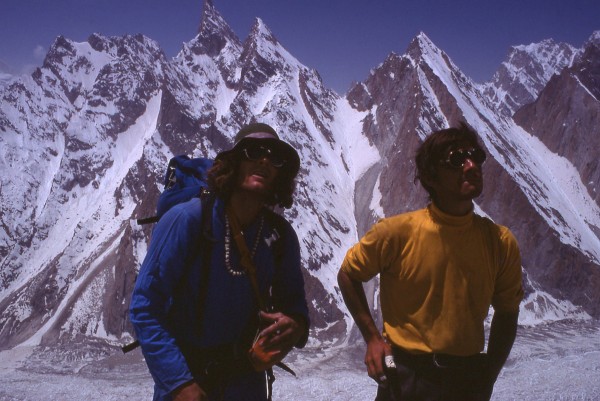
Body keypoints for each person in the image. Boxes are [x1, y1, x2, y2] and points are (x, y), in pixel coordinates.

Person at [337, 122, 524, 401]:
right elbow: (348, 275)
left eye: (476, 156)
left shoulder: (500, 241)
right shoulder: (396, 234)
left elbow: (508, 312)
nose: (471, 165)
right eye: (457, 159)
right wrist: (373, 339)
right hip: (404, 374)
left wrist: (488, 374)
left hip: (467, 378)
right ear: (431, 177)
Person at [130, 123, 310, 401]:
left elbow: (295, 304)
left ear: (280, 174)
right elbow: (145, 305)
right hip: (187, 378)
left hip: (246, 378)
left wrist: (295, 325)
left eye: (275, 157)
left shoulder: (281, 237)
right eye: (253, 151)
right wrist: (178, 383)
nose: (264, 160)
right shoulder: (187, 219)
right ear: (233, 162)